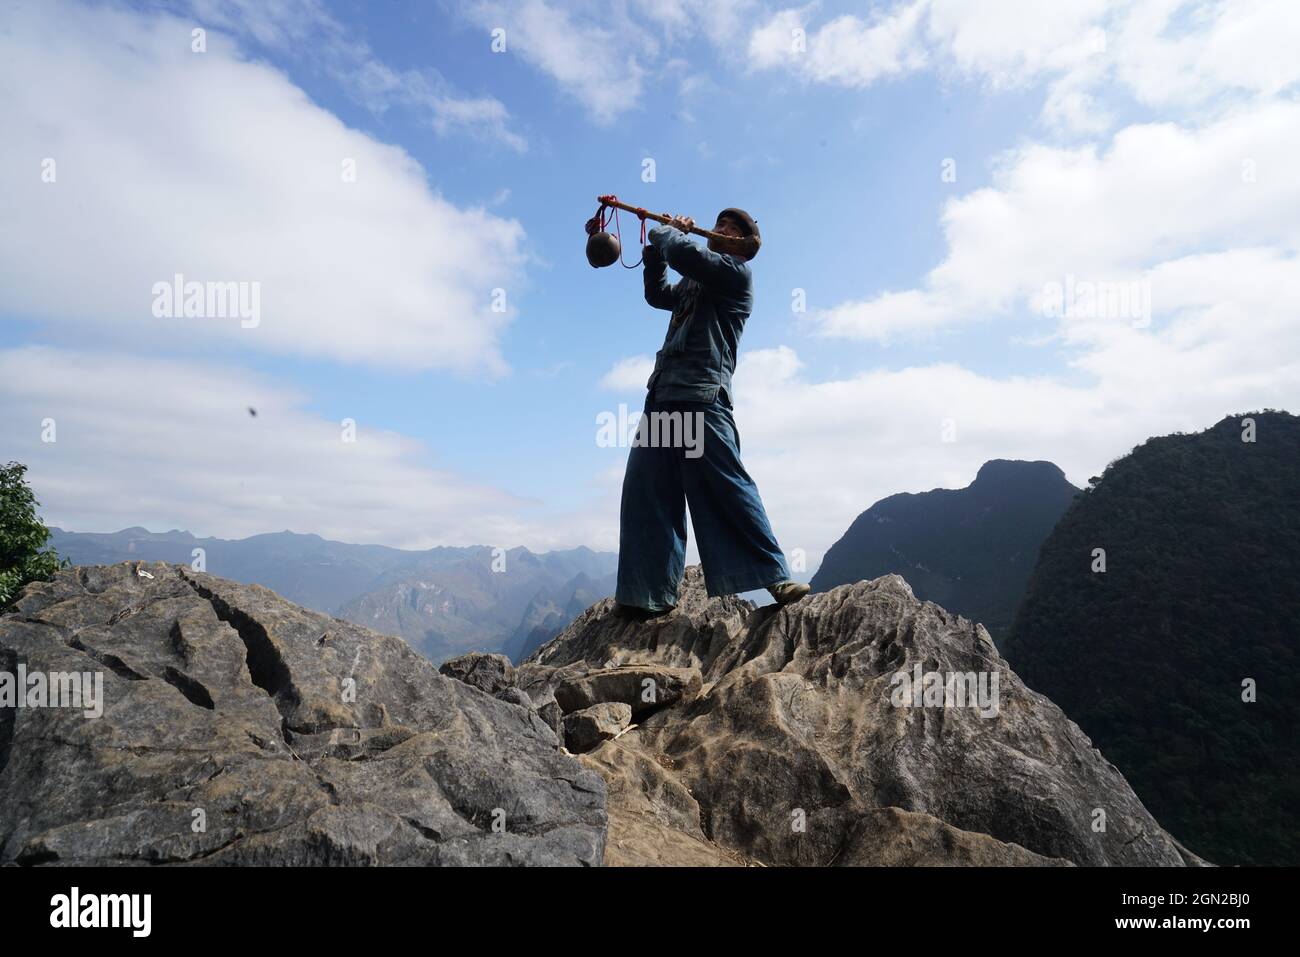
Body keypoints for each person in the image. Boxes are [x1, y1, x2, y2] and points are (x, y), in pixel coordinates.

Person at [615, 207, 810, 615]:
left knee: (727, 485)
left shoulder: (734, 276)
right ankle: (647, 596)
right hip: (665, 395)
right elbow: (657, 295)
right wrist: (654, 253)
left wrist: (668, 233)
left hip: (703, 396)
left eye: (732, 229)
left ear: (743, 245)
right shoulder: (694, 280)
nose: (721, 229)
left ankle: (775, 575)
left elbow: (686, 255)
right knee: (647, 491)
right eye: (719, 224)